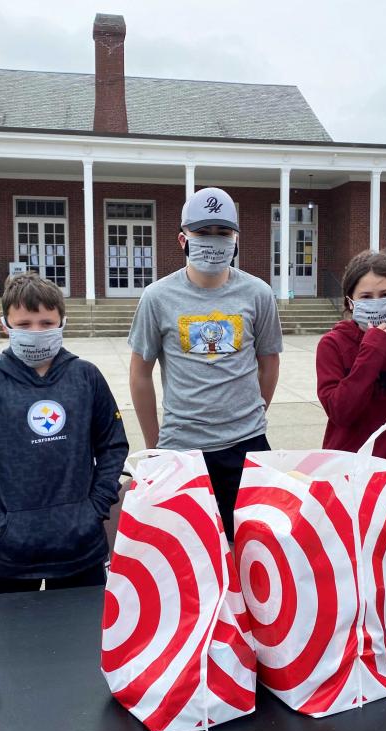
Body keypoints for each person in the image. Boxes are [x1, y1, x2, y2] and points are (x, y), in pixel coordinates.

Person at [0, 273, 128, 594]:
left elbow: (112, 446)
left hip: (80, 549)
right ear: (5, 325)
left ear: (62, 323)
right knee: (12, 641)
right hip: (10, 555)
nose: (36, 332)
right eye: (24, 324)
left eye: (46, 323)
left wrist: (96, 509)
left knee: (82, 638)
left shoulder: (86, 377)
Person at [128, 187, 283, 540]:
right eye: (203, 233)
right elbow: (139, 374)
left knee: (252, 549)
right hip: (182, 450)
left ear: (235, 238)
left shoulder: (258, 294)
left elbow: (269, 362)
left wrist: (250, 415)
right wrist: (156, 445)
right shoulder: (157, 297)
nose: (213, 241)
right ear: (183, 239)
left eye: (222, 232)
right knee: (189, 555)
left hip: (247, 448)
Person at [317, 251, 386, 558]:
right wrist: (373, 350)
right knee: (349, 576)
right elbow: (341, 411)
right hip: (347, 485)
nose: (377, 302)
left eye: (385, 294)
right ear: (350, 301)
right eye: (366, 296)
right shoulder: (333, 345)